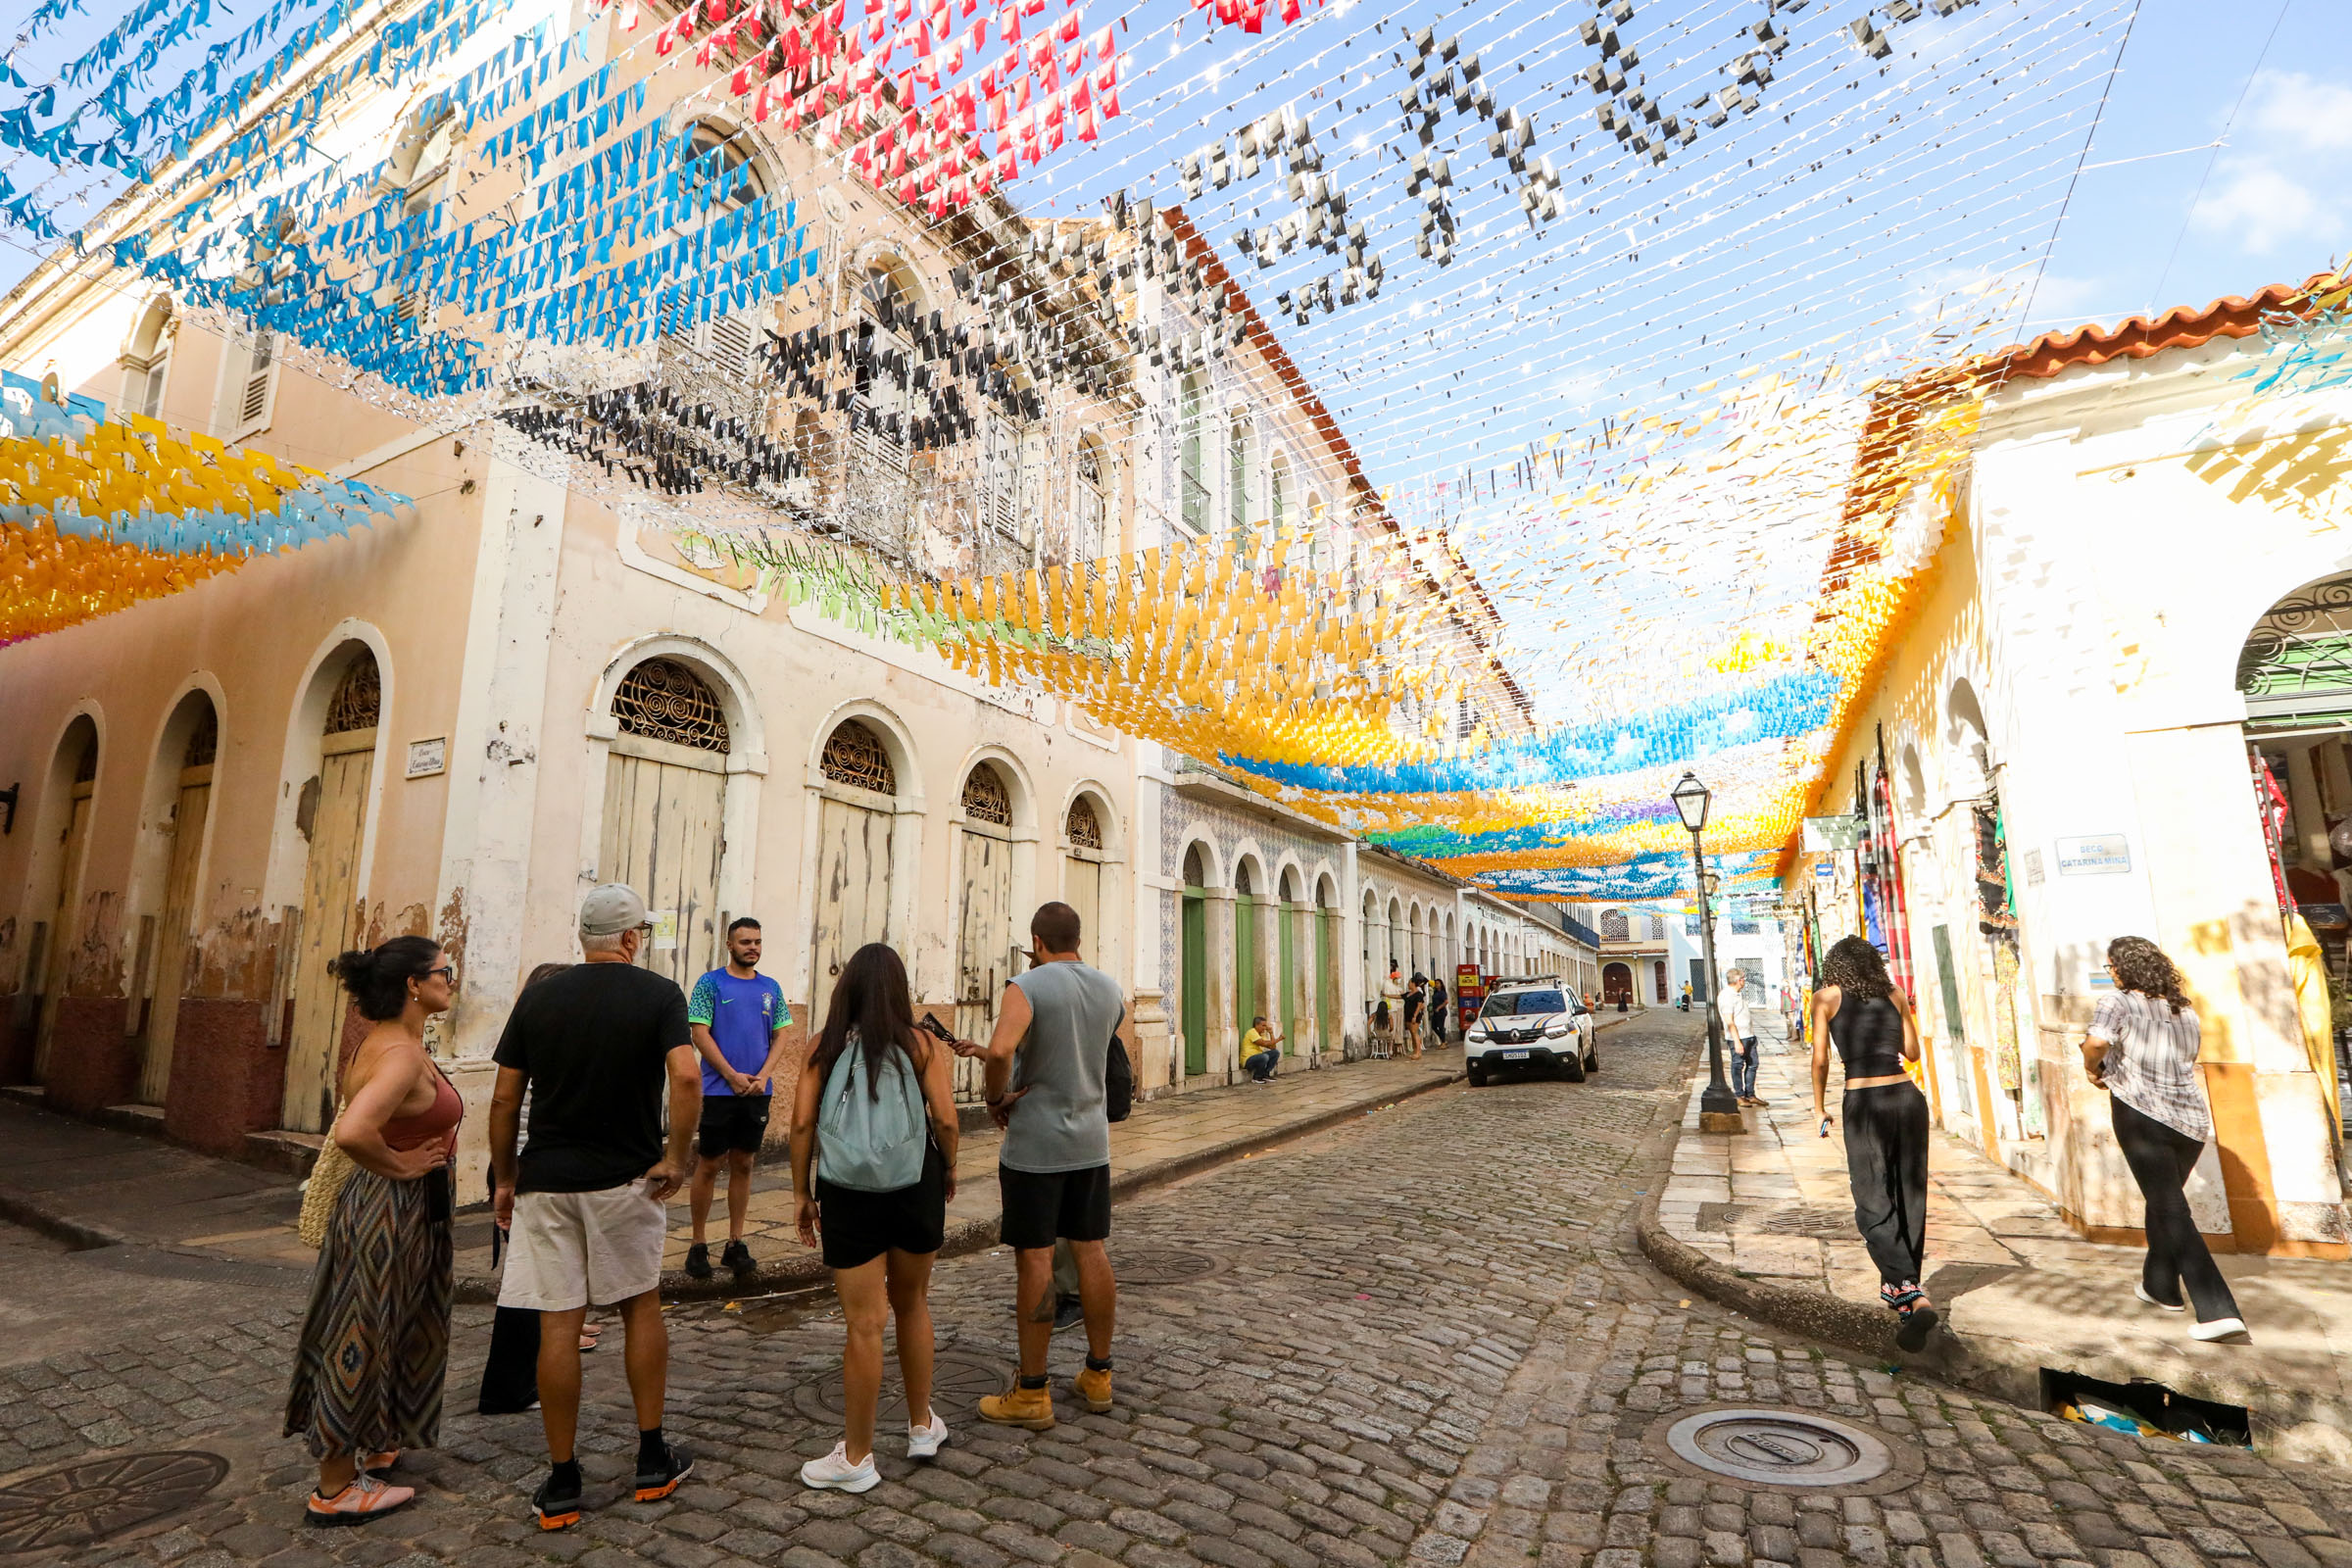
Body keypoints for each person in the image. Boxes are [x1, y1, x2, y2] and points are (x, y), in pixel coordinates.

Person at [489, 885, 699, 1532]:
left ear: (585, 938)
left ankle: (561, 1479)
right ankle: (651, 1456)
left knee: (558, 1324)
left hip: (547, 1180)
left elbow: (503, 1100)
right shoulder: (659, 994)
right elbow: (687, 1077)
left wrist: (505, 1177)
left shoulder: (539, 997)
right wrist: (677, 1155)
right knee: (640, 1307)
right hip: (625, 1179)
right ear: (631, 938)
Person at [283, 937, 461, 1526]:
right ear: (414, 984)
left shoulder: (389, 1042)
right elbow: (356, 1131)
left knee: (393, 1322)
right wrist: (402, 1166)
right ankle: (334, 1487)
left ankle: (376, 1442)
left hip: (400, 1207)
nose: (450, 980)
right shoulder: (401, 1054)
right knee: (361, 1328)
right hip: (390, 1208)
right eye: (444, 971)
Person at [789, 943, 962, 1490]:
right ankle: (919, 1425)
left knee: (864, 1324)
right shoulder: (923, 1045)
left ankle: (858, 1457)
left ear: (848, 990)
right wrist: (950, 1170)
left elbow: (798, 1126)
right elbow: (947, 1120)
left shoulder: (824, 1046)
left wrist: (801, 1193)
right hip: (916, 1184)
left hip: (846, 1192)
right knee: (913, 1304)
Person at [964, 902, 1127, 1431]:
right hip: (1090, 1143)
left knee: (1035, 1260)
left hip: (1036, 1147)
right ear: (1077, 938)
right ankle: (1098, 1373)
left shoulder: (1026, 986)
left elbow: (1000, 1051)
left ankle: (1032, 1392)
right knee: (1091, 1251)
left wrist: (996, 1099)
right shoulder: (1109, 990)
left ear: (1037, 941)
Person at [2082, 937, 2246, 1341]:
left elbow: (2097, 1042)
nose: (2111, 973)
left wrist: (2092, 1067)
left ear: (2122, 968)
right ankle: (2161, 1287)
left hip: (2140, 1115)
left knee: (2171, 1209)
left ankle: (2216, 1309)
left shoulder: (2116, 1002)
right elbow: (2186, 1060)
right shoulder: (2183, 1009)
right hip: (2189, 1121)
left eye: (2111, 966)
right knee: (2163, 1203)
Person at [1809, 936, 1936, 1347]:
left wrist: (1818, 1107)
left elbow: (1821, 1058)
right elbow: (1913, 1052)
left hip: (1865, 1102)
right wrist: (1902, 1013)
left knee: (1872, 1199)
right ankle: (1904, 1294)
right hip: (1906, 1098)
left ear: (1836, 966)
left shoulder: (1825, 999)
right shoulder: (1895, 992)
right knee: (1909, 1194)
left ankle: (1913, 1295)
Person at [685, 917, 792, 1282]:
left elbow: (781, 1035)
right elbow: (699, 1032)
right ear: (730, 945)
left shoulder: (770, 988)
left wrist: (762, 1076)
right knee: (709, 1163)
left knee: (744, 1163)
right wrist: (730, 1075)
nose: (753, 947)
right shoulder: (709, 983)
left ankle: (735, 1242)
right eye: (745, 941)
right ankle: (698, 1244)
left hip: (757, 1093)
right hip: (719, 1091)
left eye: (758, 942)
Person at [1720, 968, 1764, 1107]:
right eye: (1743, 978)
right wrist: (1737, 1041)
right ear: (1738, 980)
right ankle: (1739, 1095)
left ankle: (1750, 1094)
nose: (1744, 981)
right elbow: (1729, 1020)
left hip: (1749, 1035)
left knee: (1753, 1064)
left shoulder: (1738, 994)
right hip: (1738, 1037)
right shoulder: (1727, 996)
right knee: (1738, 1065)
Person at [1242, 1015, 1282, 1082]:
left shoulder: (1262, 1034)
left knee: (1275, 1052)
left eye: (1265, 1026)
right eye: (1263, 1026)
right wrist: (1279, 1039)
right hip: (1248, 1061)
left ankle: (1265, 1074)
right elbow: (1264, 1043)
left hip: (1258, 1058)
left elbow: (1272, 1047)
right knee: (1264, 1056)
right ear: (1256, 1025)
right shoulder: (1252, 1032)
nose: (1265, 1028)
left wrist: (1271, 1033)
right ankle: (1257, 1077)